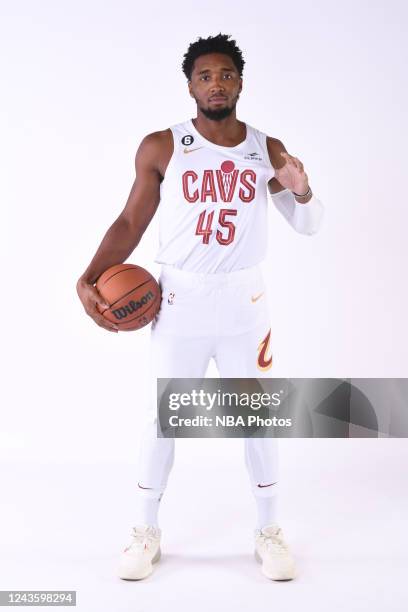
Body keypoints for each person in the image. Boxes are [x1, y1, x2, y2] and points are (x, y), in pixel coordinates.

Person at [76, 33, 323, 582]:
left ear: (240, 82)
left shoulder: (268, 148)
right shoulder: (163, 145)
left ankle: (268, 530)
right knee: (163, 418)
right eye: (206, 76)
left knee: (255, 419)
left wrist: (301, 190)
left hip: (244, 302)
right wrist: (90, 274)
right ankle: (145, 531)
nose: (216, 84)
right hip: (179, 299)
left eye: (226, 75)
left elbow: (308, 224)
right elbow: (129, 222)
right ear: (190, 85)